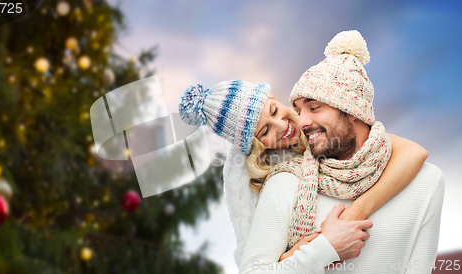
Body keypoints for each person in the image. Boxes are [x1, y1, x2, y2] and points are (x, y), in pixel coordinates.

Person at [237, 30, 443, 273]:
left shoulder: (427, 181)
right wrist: (323, 249)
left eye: (314, 107)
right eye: (299, 110)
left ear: (352, 109)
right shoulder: (285, 183)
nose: (301, 122)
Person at [179, 82, 427, 273]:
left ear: (275, 99)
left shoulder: (322, 125)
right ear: (254, 144)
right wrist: (314, 248)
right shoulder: (271, 180)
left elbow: (415, 153)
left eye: (274, 111)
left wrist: (354, 215)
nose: (282, 126)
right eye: (265, 130)